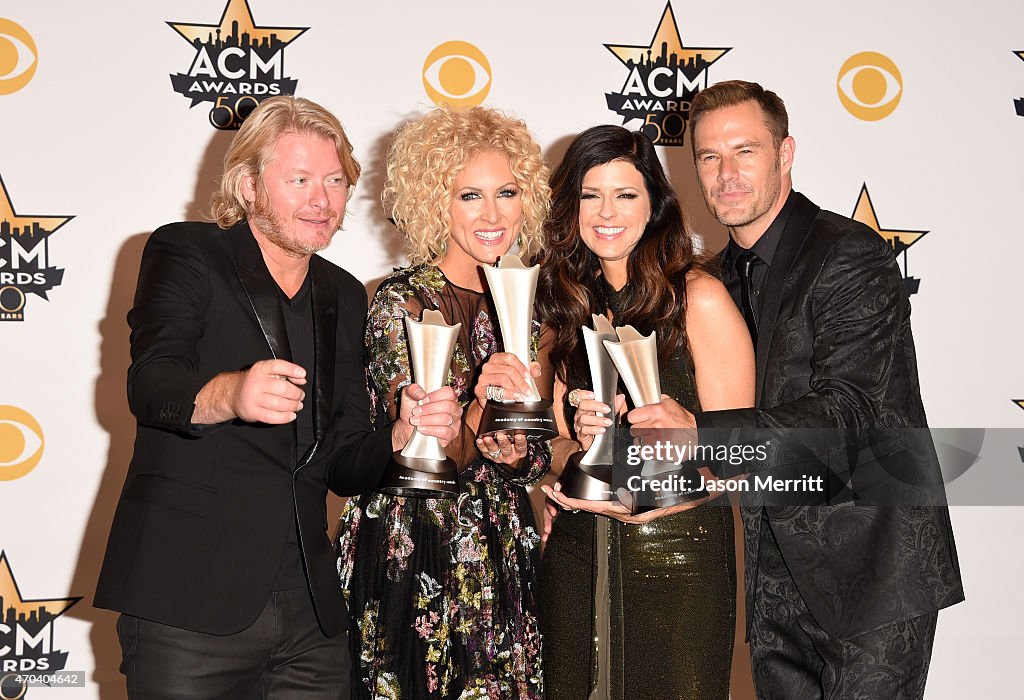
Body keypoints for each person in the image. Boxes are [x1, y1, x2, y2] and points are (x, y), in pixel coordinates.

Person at [93, 96, 461, 699]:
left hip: (309, 614)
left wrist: (400, 433)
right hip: (188, 600)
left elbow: (342, 460)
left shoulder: (343, 294)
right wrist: (230, 393)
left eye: (336, 180)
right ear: (247, 185)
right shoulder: (188, 252)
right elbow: (152, 382)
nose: (322, 200)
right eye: (299, 180)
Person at [679, 80, 964, 698]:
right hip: (771, 575)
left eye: (745, 151)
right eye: (709, 156)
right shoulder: (711, 281)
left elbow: (850, 411)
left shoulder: (850, 255)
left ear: (785, 154)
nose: (726, 173)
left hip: (873, 568)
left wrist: (697, 435)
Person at [335, 106, 552, 699]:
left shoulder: (533, 307)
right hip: (417, 552)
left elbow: (536, 456)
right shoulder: (401, 306)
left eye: (507, 193)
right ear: (436, 202)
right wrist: (481, 401)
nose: (492, 214)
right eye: (470, 196)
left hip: (503, 549)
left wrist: (517, 454)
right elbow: (430, 459)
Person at [531, 125, 755, 699]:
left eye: (626, 194)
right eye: (590, 194)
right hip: (578, 559)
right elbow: (553, 448)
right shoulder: (563, 307)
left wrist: (677, 479)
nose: (607, 212)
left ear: (654, 204)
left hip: (678, 555)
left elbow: (744, 451)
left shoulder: (698, 298)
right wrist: (577, 446)